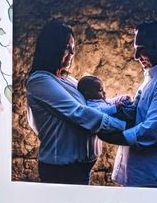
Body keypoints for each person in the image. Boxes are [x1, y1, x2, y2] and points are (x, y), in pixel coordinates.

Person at [25, 21, 128, 185]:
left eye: (73, 47)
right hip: (60, 170)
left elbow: (94, 104)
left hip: (81, 168)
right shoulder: (40, 80)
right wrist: (122, 125)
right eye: (67, 47)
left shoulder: (69, 80)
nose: (72, 52)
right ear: (52, 48)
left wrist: (119, 104)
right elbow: (78, 113)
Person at [101, 20, 157, 188]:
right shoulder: (153, 77)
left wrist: (105, 134)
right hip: (141, 177)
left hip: (155, 180)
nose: (136, 56)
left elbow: (149, 132)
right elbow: (138, 115)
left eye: (141, 49)